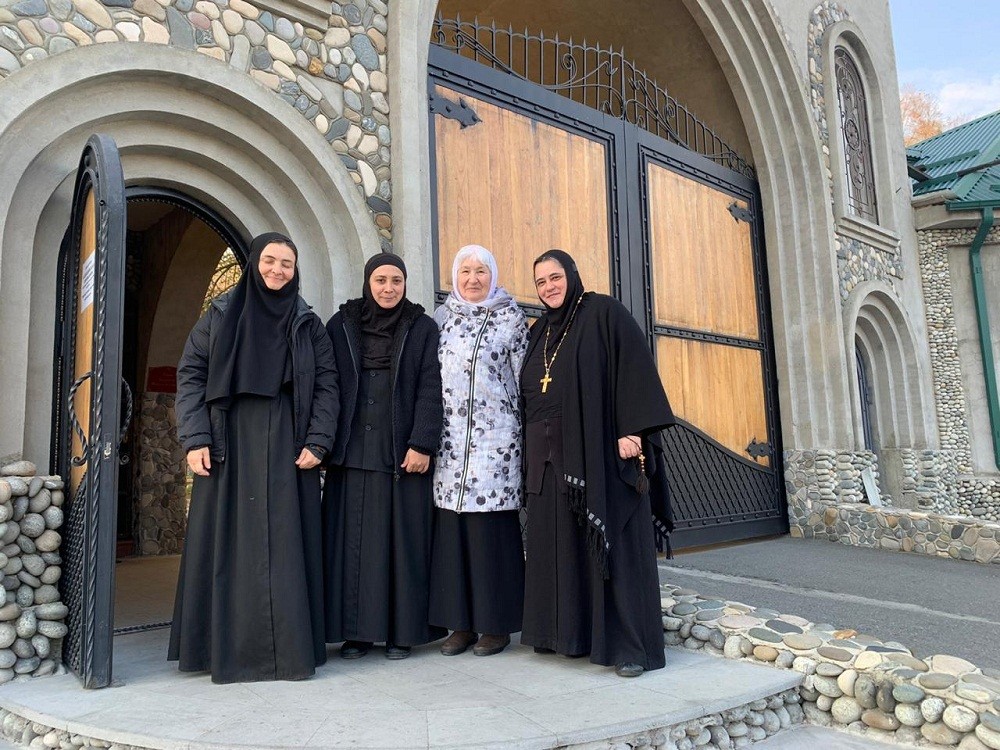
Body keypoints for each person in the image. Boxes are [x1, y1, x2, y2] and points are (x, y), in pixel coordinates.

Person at [170, 232, 338, 684]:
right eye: (270, 260)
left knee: (285, 546)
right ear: (252, 263)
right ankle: (220, 650)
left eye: (287, 263)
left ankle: (289, 653)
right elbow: (191, 375)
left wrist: (318, 441)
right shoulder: (219, 313)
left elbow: (328, 385)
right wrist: (195, 438)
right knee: (227, 545)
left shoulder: (308, 323)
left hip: (289, 441)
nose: (277, 270)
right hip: (227, 440)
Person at [520, 249, 675, 678]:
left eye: (555, 277)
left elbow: (635, 367)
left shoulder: (603, 312)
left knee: (616, 548)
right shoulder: (540, 331)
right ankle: (566, 636)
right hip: (548, 458)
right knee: (562, 547)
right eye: (540, 282)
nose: (548, 287)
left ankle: (630, 648)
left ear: (572, 275)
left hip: (600, 450)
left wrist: (633, 430)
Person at [322, 253, 446, 659]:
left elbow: (431, 386)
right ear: (367, 282)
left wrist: (422, 443)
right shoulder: (341, 325)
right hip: (352, 452)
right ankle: (356, 633)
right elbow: (326, 385)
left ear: (405, 284)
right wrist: (322, 443)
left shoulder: (422, 327)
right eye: (381, 280)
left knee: (401, 546)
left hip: (402, 452)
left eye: (396, 280)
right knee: (352, 547)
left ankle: (401, 633)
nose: (388, 288)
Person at [429, 245, 529, 657]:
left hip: (496, 446)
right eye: (466, 271)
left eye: (481, 272)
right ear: (455, 276)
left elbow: (525, 383)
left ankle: (496, 625)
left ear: (493, 276)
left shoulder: (512, 320)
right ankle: (462, 625)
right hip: (450, 446)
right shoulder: (441, 319)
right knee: (454, 539)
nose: (473, 279)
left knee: (490, 538)